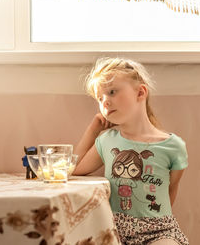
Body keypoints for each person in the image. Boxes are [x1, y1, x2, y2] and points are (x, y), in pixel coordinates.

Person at [73, 58, 189, 245]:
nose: (106, 102)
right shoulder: (107, 141)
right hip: (114, 231)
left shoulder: (173, 146)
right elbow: (74, 168)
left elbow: (170, 190)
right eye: (100, 98)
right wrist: (93, 130)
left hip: (159, 231)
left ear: (140, 92)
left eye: (112, 92)